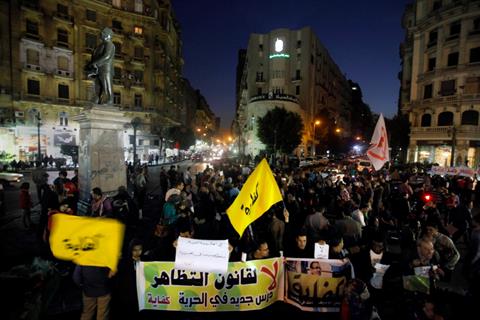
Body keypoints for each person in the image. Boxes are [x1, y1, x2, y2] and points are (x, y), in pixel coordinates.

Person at [85, 27, 115, 105]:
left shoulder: (109, 44)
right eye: (102, 32)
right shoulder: (99, 46)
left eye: (103, 33)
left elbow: (107, 56)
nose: (101, 34)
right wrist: (91, 65)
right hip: (98, 70)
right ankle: (98, 99)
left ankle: (110, 99)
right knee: (98, 86)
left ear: (107, 35)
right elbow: (95, 57)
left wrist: (95, 63)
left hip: (106, 68)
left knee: (107, 85)